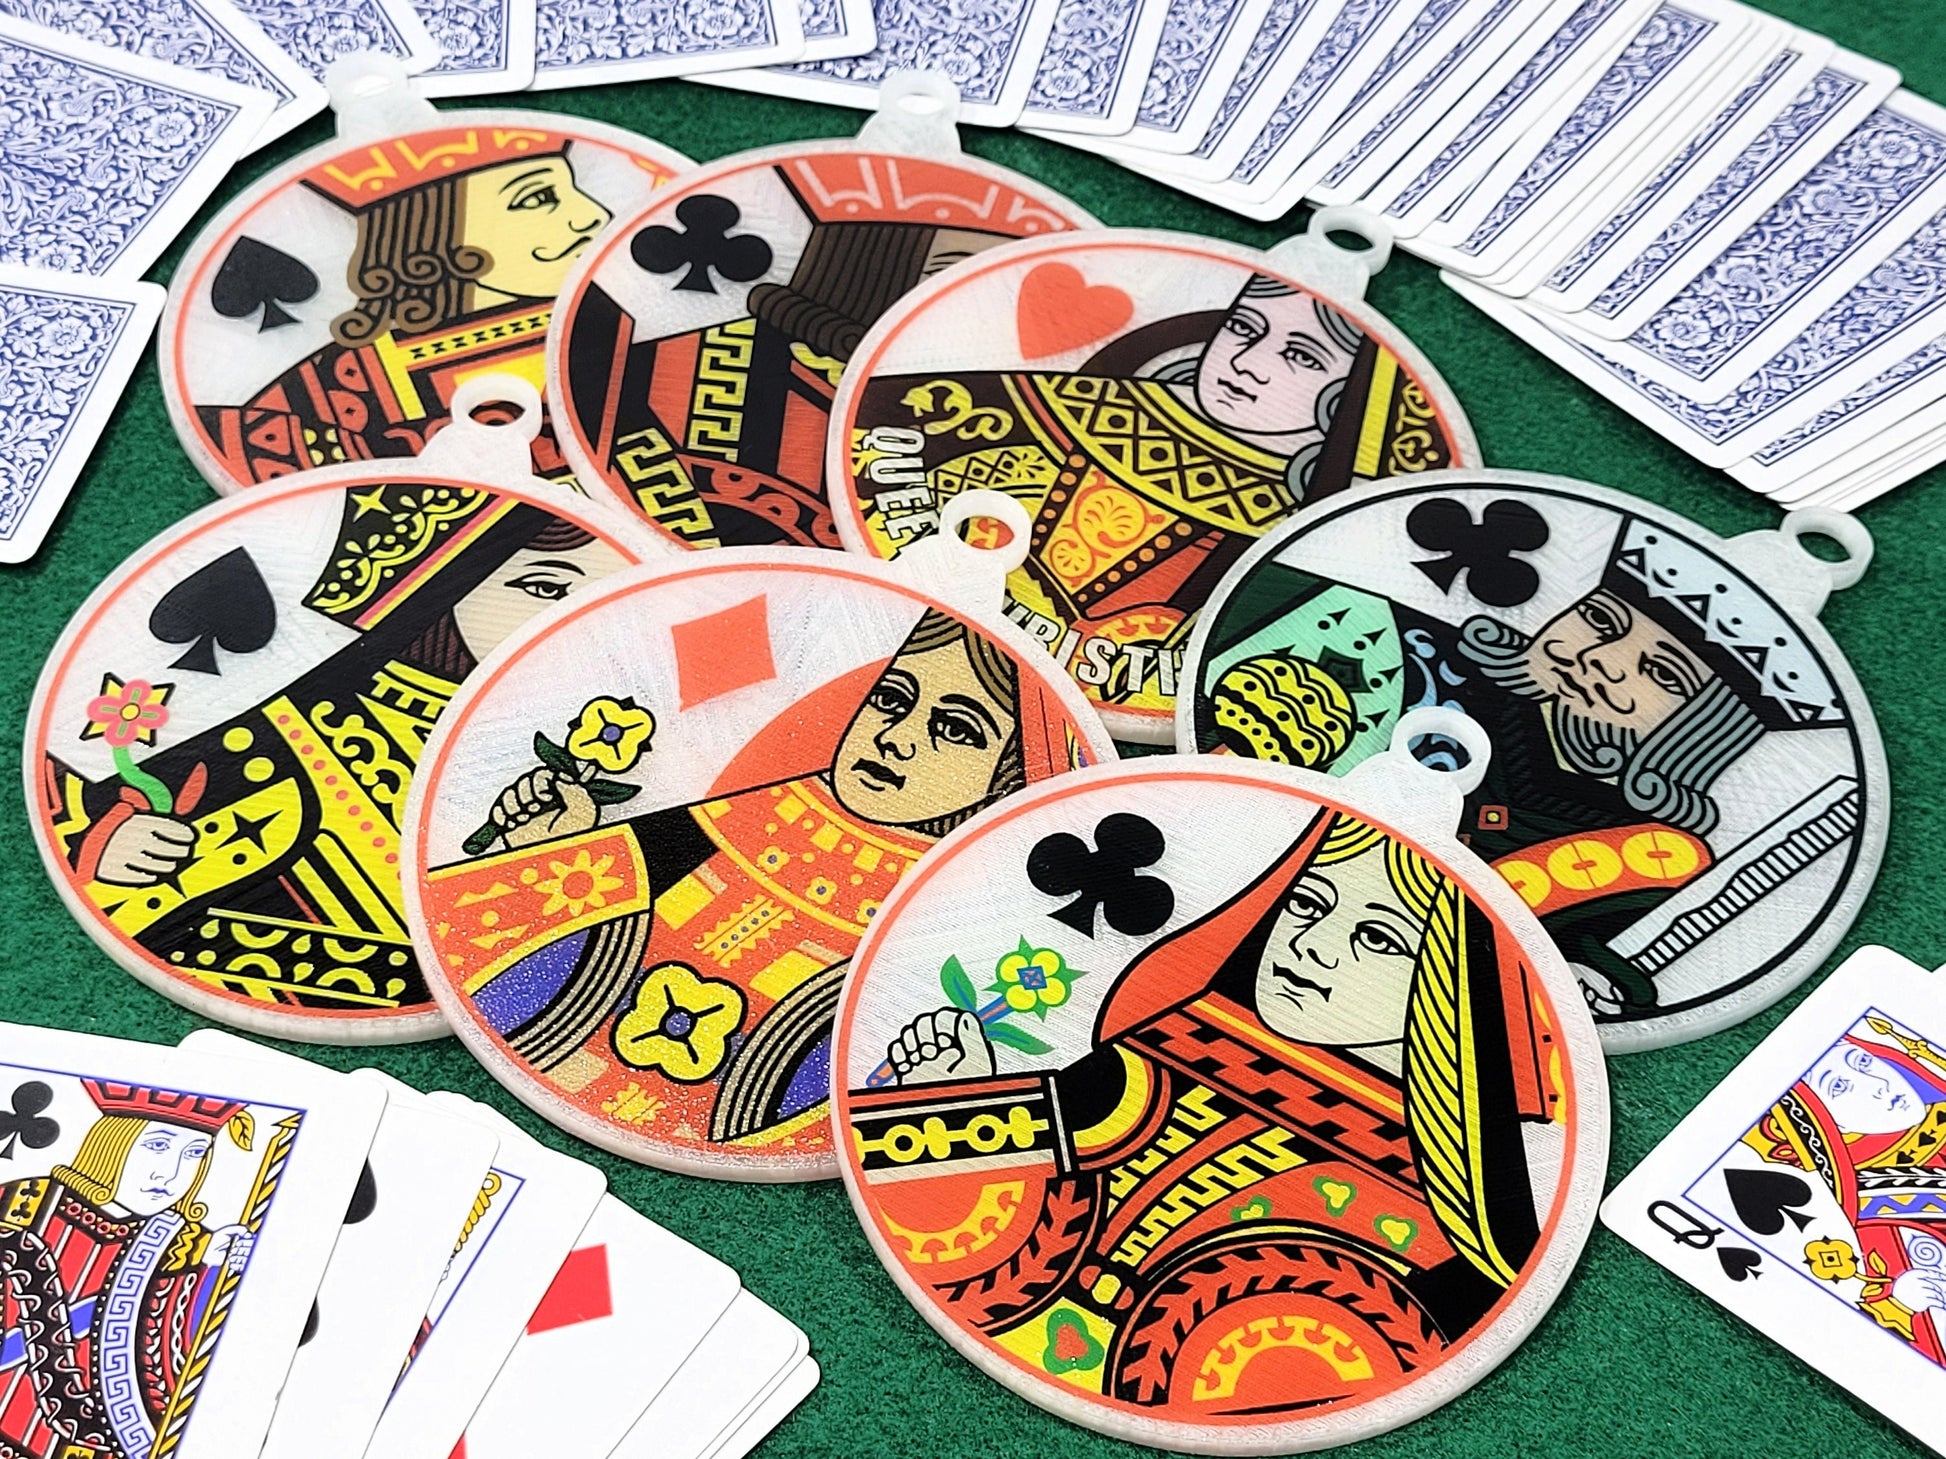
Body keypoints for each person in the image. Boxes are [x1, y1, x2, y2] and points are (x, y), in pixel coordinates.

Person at [849, 809, 1560, 1418]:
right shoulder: (1165, 1051)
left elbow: (1333, 1369)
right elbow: (975, 1234)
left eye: (1377, 938)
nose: (1311, 944)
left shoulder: (1465, 1223)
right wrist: (961, 1096)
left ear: (1451, 979)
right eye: (1307, 903)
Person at [422, 610, 1090, 1160]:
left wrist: (943, 1089)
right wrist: (553, 844)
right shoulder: (736, 811)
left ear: (1007, 776)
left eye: (955, 730)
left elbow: (886, 1124)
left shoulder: (949, 930)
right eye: (891, 699)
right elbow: (500, 954)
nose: (896, 738)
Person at [1190, 512, 1863, 1019]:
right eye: (1602, 622)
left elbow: (1561, 976)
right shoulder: (1406, 648)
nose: (1600, 660)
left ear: (1704, 727)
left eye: (1660, 673)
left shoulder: (1654, 857)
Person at [39, 487, 630, 1015]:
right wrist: (113, 838)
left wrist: (540, 856)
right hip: (246, 959)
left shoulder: (577, 763)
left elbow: (545, 960)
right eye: (543, 590)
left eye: (600, 608)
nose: (562, 626)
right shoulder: (295, 706)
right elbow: (113, 800)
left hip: (439, 986)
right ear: (454, 581)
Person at [848, 274, 1456, 713]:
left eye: (1299, 356)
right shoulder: (1066, 406)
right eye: (1243, 328)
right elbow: (890, 427)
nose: (1247, 362)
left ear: (1346, 400)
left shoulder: (1316, 544)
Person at [560, 153, 1076, 549]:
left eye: (1001, 288)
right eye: (951, 278)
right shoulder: (667, 375)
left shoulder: (1002, 420)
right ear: (869, 269)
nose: (987, 312)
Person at [194, 129, 625, 483]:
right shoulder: (324, 395)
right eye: (536, 199)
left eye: (573, 190)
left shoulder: (619, 329)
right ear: (430, 234)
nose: (592, 214)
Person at [0, 1081, 263, 1458]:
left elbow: (193, 1374)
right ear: (110, 1145)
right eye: (157, 1146)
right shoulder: (20, 1203)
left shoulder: (191, 1249)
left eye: (194, 1153)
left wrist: (221, 1277)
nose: (170, 1174)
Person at [1743, 1021, 1946, 1364]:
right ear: (1830, 1121)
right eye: (1839, 1086)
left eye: (1863, 1062)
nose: (1879, 1085)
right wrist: (1903, 1300)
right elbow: (1889, 1325)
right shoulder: (1874, 1207)